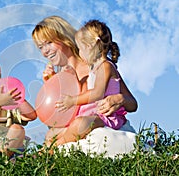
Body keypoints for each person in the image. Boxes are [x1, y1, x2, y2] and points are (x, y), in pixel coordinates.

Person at [32, 16, 137, 147]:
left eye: (48, 43)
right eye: (41, 47)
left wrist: (120, 99)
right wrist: (52, 86)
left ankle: (49, 152)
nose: (45, 51)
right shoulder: (62, 76)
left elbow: (133, 104)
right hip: (78, 129)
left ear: (64, 38)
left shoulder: (96, 65)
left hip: (101, 124)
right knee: (50, 136)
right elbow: (57, 121)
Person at [53, 19, 128, 145]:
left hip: (106, 117)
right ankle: (48, 149)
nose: (80, 53)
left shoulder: (105, 66)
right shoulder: (95, 69)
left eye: (80, 49)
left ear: (89, 47)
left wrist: (72, 100)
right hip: (94, 114)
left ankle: (51, 150)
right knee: (55, 132)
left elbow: (97, 93)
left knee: (79, 124)